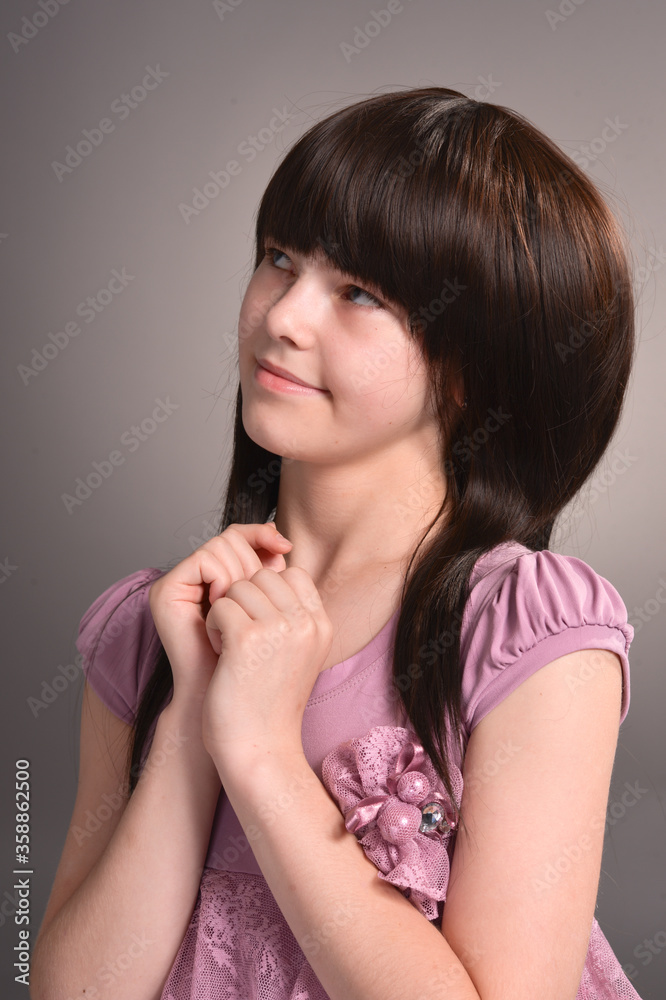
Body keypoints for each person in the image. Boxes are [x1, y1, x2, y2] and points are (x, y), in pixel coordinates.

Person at [32, 86, 643, 1000]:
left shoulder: (526, 632)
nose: (284, 316)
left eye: (358, 292)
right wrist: (197, 708)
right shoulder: (152, 625)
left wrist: (265, 752)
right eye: (280, 259)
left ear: (472, 371)